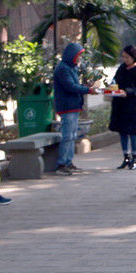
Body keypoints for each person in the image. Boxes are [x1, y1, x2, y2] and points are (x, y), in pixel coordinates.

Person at [53, 42, 96, 174]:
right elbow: (70, 87)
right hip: (67, 106)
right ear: (72, 55)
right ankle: (61, 164)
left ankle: (68, 161)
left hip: (73, 106)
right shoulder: (63, 68)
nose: (80, 59)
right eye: (78, 56)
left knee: (72, 136)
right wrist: (88, 90)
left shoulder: (70, 68)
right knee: (68, 136)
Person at [108, 46, 136, 170]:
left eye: (127, 57)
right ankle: (126, 157)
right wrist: (112, 87)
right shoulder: (122, 68)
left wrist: (128, 92)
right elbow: (115, 80)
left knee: (133, 132)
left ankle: (135, 158)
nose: (125, 60)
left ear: (133, 57)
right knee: (122, 131)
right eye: (123, 57)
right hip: (120, 104)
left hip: (132, 105)